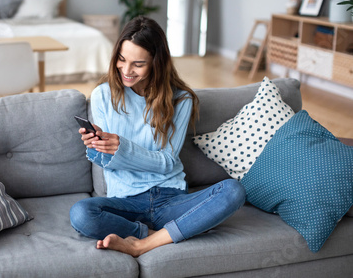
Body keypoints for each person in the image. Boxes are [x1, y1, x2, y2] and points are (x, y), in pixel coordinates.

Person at [69, 16, 246, 257]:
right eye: (121, 59)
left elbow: (167, 163)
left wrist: (123, 148)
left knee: (233, 191)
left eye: (138, 64)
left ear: (156, 63)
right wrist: (97, 148)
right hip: (125, 200)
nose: (126, 70)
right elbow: (106, 164)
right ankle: (160, 235)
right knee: (81, 214)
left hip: (170, 198)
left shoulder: (180, 99)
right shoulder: (103, 95)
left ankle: (141, 244)